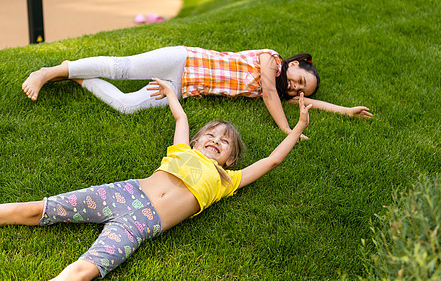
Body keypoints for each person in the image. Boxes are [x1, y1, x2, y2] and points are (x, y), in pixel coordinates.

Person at [4, 78, 312, 280]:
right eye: (212, 134)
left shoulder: (225, 180)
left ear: (229, 159)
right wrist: (169, 92)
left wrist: (297, 127)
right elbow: (181, 118)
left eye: (225, 142)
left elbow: (271, 161)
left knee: (87, 270)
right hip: (122, 193)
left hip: (141, 225)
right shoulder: (181, 149)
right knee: (39, 209)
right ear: (196, 140)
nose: (217, 140)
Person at [22, 46, 372, 135]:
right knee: (122, 67)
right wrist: (286, 129)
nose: (296, 89)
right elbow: (268, 92)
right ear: (295, 65)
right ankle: (48, 71)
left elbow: (313, 102)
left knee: (128, 106)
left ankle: (75, 77)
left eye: (299, 91)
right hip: (182, 60)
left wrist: (347, 110)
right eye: (299, 80)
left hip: (183, 86)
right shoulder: (271, 60)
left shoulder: (283, 90)